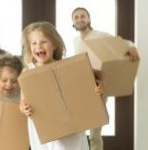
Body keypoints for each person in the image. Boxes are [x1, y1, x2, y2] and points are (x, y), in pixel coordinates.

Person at [19, 21, 103, 150]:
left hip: (70, 123)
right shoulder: (28, 72)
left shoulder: (65, 67)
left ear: (54, 45)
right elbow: (22, 102)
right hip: (44, 126)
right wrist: (24, 108)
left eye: (44, 41)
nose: (38, 46)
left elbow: (88, 87)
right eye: (34, 43)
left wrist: (97, 89)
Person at [71, 7, 140, 150]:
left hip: (98, 87)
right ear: (73, 22)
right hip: (81, 88)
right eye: (76, 17)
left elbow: (124, 43)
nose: (79, 19)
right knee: (80, 131)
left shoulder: (99, 36)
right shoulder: (76, 41)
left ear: (88, 19)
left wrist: (131, 48)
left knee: (95, 132)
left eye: (82, 16)